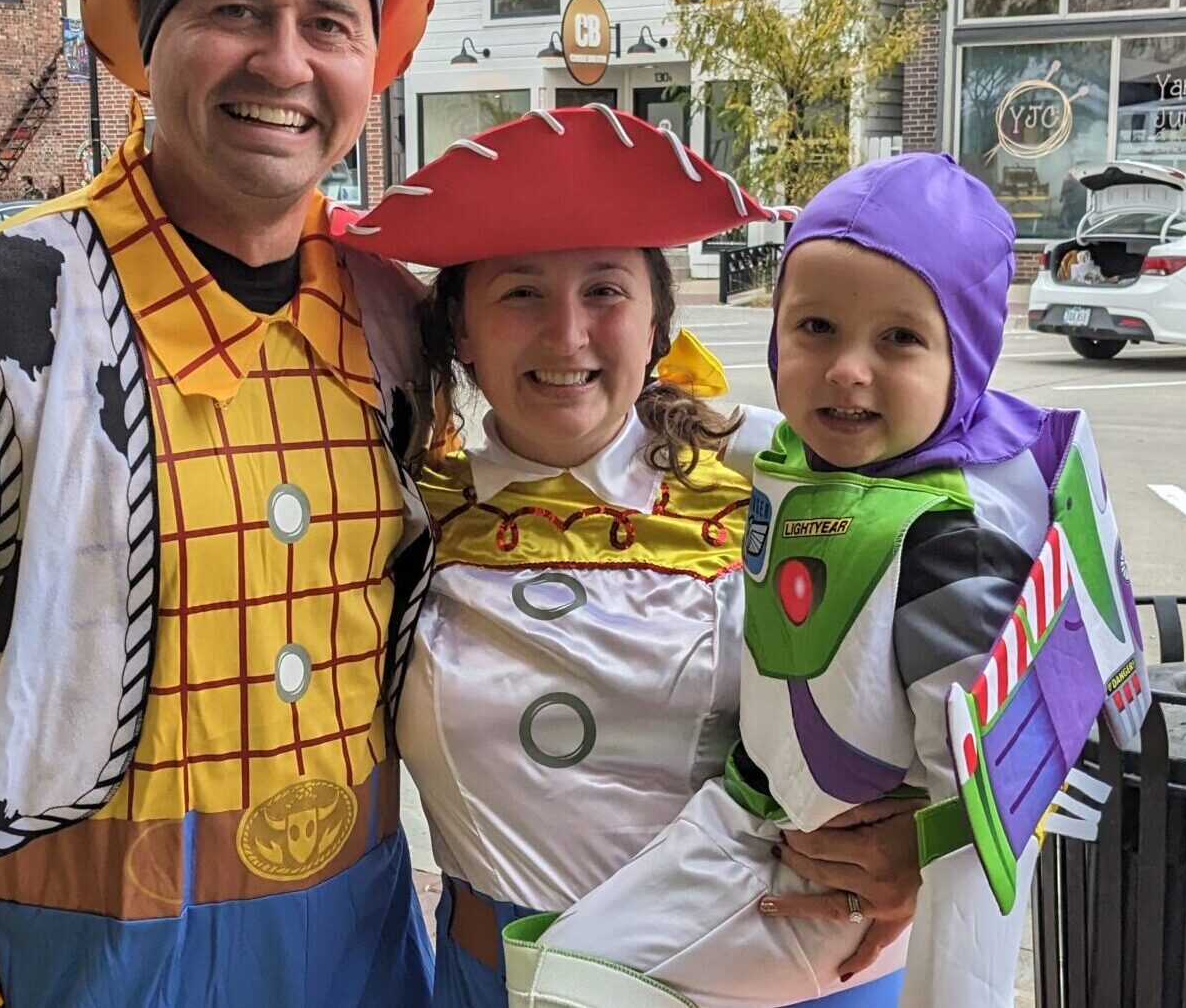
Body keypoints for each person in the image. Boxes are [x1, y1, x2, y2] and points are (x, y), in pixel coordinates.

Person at [0, 0, 451, 1005]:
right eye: (235, 8)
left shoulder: (398, 323)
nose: (285, 62)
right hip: (80, 970)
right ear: (145, 46)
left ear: (371, 64)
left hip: (364, 951)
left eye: (328, 22)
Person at [509, 153, 1148, 1007]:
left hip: (812, 865)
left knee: (565, 986)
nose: (847, 369)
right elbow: (768, 453)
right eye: (814, 329)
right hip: (746, 816)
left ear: (967, 357)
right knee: (553, 970)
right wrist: (656, 411)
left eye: (899, 338)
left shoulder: (946, 544)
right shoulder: (822, 454)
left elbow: (982, 813)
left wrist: (917, 865)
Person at [341, 107, 928, 1008]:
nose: (567, 336)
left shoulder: (782, 480)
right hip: (502, 980)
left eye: (605, 291)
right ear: (458, 329)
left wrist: (932, 841)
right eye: (521, 292)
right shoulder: (404, 507)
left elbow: (1030, 664)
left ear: (656, 319)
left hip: (782, 982)